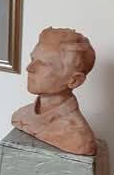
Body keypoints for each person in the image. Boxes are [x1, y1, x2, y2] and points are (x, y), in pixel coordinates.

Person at [11, 27, 97, 155]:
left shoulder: (79, 137)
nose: (29, 68)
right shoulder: (21, 115)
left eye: (43, 64)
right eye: (33, 59)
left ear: (74, 80)